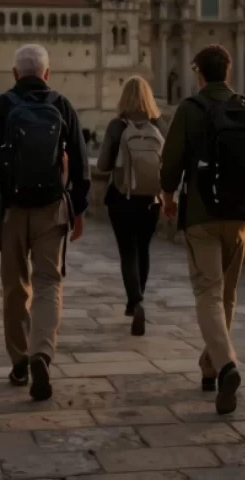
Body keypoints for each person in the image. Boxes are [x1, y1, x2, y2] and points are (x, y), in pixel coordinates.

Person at [159, 44, 245, 416]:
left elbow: (171, 162)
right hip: (241, 214)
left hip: (202, 214)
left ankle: (226, 364)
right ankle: (210, 365)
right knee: (227, 294)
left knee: (208, 293)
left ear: (199, 73)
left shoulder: (189, 109)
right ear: (228, 71)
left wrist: (168, 197)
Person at [0, 44, 89, 402]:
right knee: (49, 282)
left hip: (10, 210)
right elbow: (81, 164)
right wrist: (78, 210)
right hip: (51, 209)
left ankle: (20, 361)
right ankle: (42, 352)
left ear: (14, 73)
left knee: (15, 287)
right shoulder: (62, 105)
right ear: (47, 73)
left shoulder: (1, 106)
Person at [95, 76, 165, 336]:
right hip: (151, 200)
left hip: (122, 199)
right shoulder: (159, 125)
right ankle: (137, 300)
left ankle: (135, 302)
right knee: (143, 250)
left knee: (128, 252)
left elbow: (102, 165)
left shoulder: (117, 126)